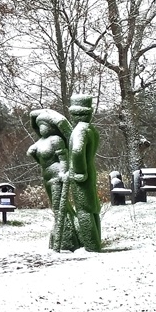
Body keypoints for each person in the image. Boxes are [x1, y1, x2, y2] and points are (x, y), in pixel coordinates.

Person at [27, 108, 80, 251]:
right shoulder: (39, 142)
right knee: (55, 207)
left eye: (44, 125)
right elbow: (41, 161)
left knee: (59, 207)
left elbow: (63, 158)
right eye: (40, 125)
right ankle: (61, 234)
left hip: (57, 176)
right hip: (46, 176)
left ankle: (68, 237)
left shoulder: (55, 140)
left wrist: (64, 172)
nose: (42, 128)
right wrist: (33, 153)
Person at [67, 94, 102, 252]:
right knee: (93, 208)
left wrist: (79, 172)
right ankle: (96, 242)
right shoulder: (91, 129)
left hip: (82, 177)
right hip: (91, 172)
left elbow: (77, 150)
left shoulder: (80, 130)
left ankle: (92, 245)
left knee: (84, 210)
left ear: (74, 114)